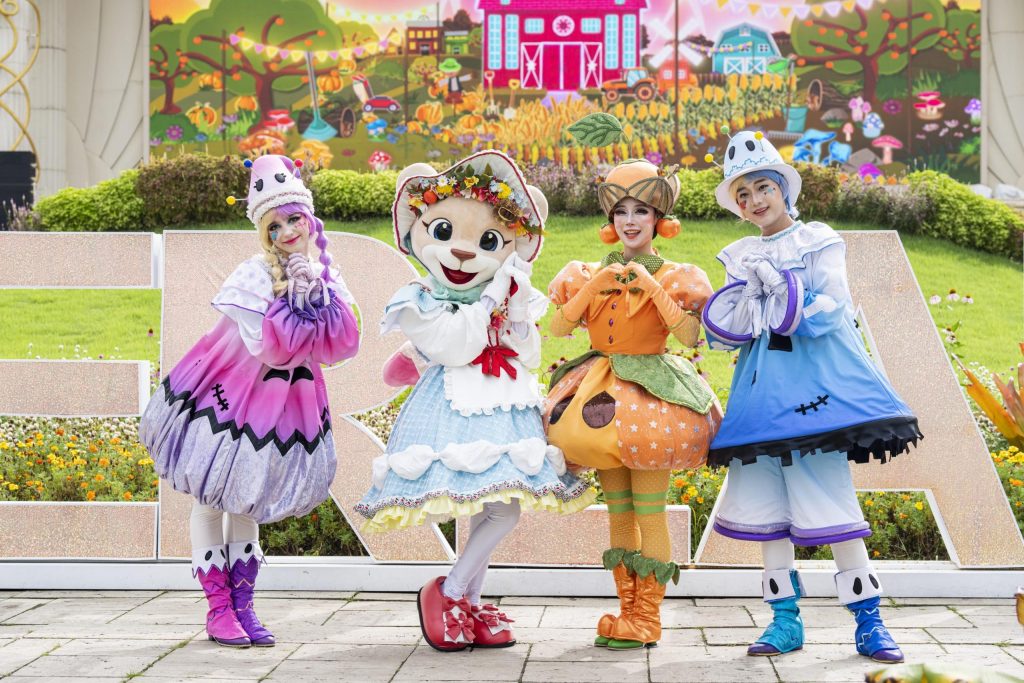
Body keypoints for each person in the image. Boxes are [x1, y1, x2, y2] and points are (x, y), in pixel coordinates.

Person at [356, 151, 596, 652]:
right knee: (499, 511)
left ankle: (465, 598)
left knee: (497, 506)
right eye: (444, 234)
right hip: (449, 409)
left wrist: (515, 308)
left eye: (488, 242)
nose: (465, 253)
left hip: (505, 404)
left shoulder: (507, 292)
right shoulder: (419, 300)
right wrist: (488, 303)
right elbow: (456, 346)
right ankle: (448, 590)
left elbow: (527, 353)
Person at [701, 131, 922, 663]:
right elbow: (736, 324)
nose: (754, 201)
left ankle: (869, 623)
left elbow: (834, 308)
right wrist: (750, 297)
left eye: (761, 187)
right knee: (766, 505)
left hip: (814, 385)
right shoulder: (741, 254)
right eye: (743, 195)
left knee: (830, 497)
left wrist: (782, 289)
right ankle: (784, 622)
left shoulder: (817, 239)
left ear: (782, 188)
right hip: (760, 388)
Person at [140, 155, 360, 648]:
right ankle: (218, 609)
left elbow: (341, 343)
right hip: (227, 395)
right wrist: (297, 301)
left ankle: (244, 607)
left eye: (294, 219)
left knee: (246, 499)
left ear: (309, 218)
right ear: (263, 230)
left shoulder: (325, 272)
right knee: (208, 496)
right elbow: (270, 345)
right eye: (275, 224)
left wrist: (317, 294)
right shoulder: (254, 274)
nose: (286, 231)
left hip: (283, 404)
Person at [544, 158, 722, 650]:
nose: (629, 219)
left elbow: (689, 336)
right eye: (620, 210)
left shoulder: (679, 275)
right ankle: (627, 613)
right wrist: (593, 289)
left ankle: (649, 618)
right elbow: (558, 327)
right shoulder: (585, 272)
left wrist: (652, 288)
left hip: (651, 400)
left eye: (640, 210)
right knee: (618, 512)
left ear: (658, 218)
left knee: (650, 512)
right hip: (600, 396)